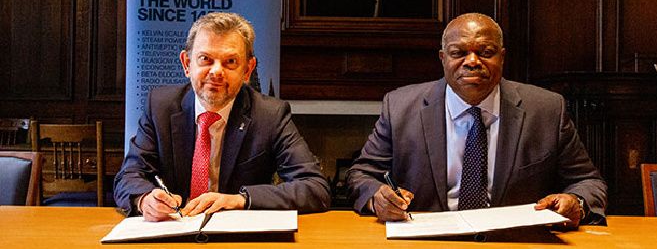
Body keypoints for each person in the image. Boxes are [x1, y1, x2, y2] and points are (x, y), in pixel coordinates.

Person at [347, 13, 607, 228]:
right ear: (443, 59)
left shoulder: (547, 109)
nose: (472, 62)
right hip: (425, 240)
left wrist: (577, 202)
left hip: (515, 242)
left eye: (485, 52)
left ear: (502, 57)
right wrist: (376, 198)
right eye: (459, 52)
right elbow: (362, 175)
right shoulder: (401, 107)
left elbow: (588, 182)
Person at [114, 12, 330, 221]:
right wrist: (144, 200)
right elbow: (128, 177)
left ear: (247, 70)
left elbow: (315, 187)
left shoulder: (270, 115)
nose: (216, 72)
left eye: (230, 62)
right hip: (172, 231)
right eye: (205, 59)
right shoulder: (160, 107)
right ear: (187, 64)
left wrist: (240, 200)